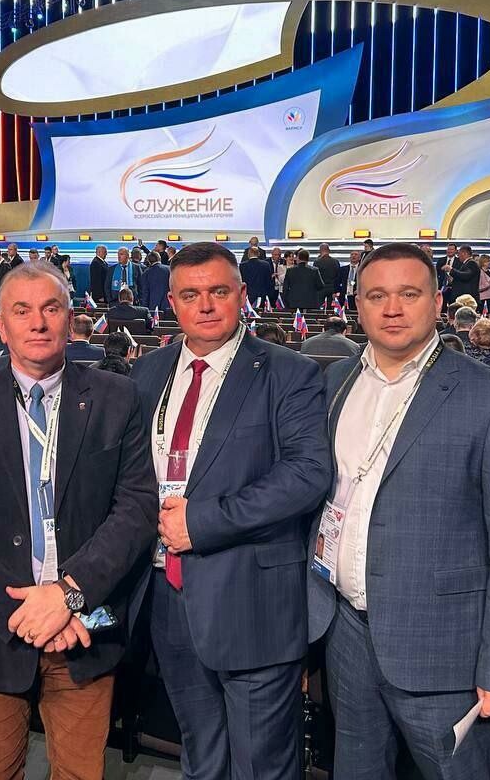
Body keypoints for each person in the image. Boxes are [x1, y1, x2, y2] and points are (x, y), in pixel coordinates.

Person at [308, 242, 490, 780]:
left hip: (443, 649)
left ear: (437, 303)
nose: (392, 309)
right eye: (377, 296)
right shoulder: (333, 383)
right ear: (357, 306)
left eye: (409, 294)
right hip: (345, 631)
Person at [0, 259, 156, 780]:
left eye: (51, 309)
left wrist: (68, 597)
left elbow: (136, 508)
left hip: (84, 626)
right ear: (0, 325)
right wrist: (21, 613)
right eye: (21, 311)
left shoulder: (118, 398)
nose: (38, 323)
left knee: (80, 774)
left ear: (70, 320)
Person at [132, 242, 330, 780]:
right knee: (201, 756)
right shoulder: (146, 373)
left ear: (242, 295)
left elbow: (307, 474)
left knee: (261, 765)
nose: (205, 305)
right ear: (171, 302)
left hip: (253, 598)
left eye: (218, 291)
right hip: (168, 596)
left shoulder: (289, 372)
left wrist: (201, 523)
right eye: (190, 295)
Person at [315, 243, 340, 310]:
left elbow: (315, 277)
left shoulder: (317, 262)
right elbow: (338, 276)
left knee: (320, 309)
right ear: (329, 250)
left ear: (320, 250)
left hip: (321, 289)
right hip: (332, 288)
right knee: (330, 309)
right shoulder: (336, 261)